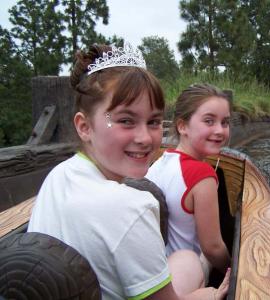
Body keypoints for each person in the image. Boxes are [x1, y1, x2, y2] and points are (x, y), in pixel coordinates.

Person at [27, 43, 230, 300]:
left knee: (187, 260)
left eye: (154, 121)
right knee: (196, 270)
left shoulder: (58, 174)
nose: (145, 138)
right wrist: (211, 294)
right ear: (84, 126)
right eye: (125, 120)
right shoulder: (132, 207)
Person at [146, 83, 232, 279]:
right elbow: (212, 248)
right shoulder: (203, 174)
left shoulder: (160, 162)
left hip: (159, 271)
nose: (220, 130)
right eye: (209, 121)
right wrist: (234, 271)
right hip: (188, 276)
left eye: (225, 122)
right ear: (182, 126)